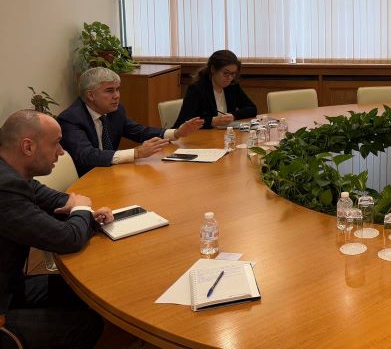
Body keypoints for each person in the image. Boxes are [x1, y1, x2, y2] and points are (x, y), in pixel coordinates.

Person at [0, 110, 114, 348]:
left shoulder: (12, 171)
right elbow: (67, 239)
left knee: (81, 290)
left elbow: (57, 200)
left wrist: (87, 214)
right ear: (28, 147)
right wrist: (82, 210)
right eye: (56, 143)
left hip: (11, 284)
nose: (62, 152)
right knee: (87, 324)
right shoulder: (5, 187)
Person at [58, 67, 203, 176]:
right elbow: (87, 155)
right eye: (110, 91)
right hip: (86, 180)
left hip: (111, 173)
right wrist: (136, 153)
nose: (117, 96)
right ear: (90, 95)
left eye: (117, 89)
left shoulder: (115, 111)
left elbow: (139, 132)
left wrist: (176, 133)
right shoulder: (71, 119)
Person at [173, 50, 257, 129]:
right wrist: (212, 121)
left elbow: (252, 109)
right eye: (225, 73)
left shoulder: (232, 86)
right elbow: (183, 123)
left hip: (225, 135)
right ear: (213, 69)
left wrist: (233, 115)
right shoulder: (197, 89)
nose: (229, 78)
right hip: (202, 136)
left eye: (233, 74)